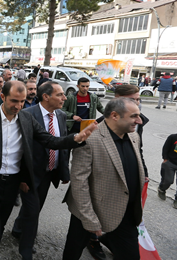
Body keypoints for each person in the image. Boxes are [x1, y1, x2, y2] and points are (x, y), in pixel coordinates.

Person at [0, 81, 96, 260]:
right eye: (14, 101)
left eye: (21, 101)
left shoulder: (27, 119)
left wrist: (76, 138)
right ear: (2, 97)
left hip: (12, 185)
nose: (18, 106)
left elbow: (50, 140)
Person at [62, 98, 144, 260]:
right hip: (89, 211)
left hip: (123, 212)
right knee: (74, 249)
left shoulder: (133, 136)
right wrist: (89, 219)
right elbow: (79, 183)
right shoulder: (90, 139)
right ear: (114, 116)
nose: (139, 121)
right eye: (134, 116)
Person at [10, 82, 70, 260]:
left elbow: (63, 144)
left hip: (49, 172)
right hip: (29, 174)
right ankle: (26, 249)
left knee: (35, 208)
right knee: (33, 212)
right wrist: (21, 178)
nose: (64, 98)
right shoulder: (27, 114)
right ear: (46, 97)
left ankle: (18, 229)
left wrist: (64, 172)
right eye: (60, 95)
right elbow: (18, 149)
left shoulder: (60, 115)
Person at [157, 132, 177, 209]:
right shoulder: (173, 137)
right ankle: (161, 189)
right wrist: (165, 159)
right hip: (170, 162)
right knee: (168, 180)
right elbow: (165, 148)